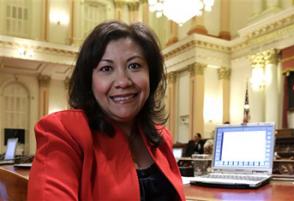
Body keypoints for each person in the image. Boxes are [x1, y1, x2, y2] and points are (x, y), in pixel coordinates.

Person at [27, 21, 185, 201]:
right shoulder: (63, 131)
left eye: (134, 66)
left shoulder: (162, 137)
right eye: (106, 68)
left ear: (151, 75)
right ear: (90, 81)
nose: (123, 81)